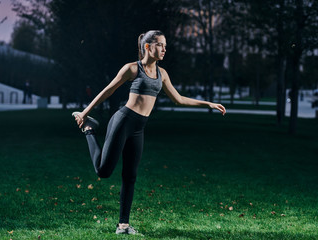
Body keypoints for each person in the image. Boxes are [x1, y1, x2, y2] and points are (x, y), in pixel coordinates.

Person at [72, 30, 226, 235]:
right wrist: (85, 113)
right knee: (104, 171)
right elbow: (108, 91)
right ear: (147, 46)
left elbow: (178, 99)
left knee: (130, 176)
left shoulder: (162, 75)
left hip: (138, 128)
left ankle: (123, 226)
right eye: (160, 45)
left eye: (165, 46)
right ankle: (89, 129)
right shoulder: (132, 69)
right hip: (123, 121)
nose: (164, 49)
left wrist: (208, 104)